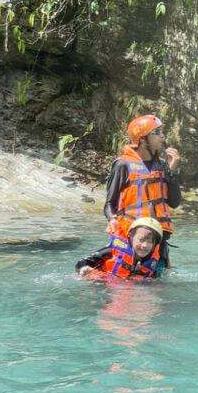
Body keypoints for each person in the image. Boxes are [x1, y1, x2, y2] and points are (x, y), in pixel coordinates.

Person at [105, 115, 180, 266]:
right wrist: (112, 220)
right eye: (156, 132)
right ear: (143, 139)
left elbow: (174, 202)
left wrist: (171, 171)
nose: (162, 135)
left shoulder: (162, 166)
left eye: (161, 131)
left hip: (158, 237)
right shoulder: (123, 165)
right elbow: (109, 203)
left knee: (157, 286)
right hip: (134, 238)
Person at [77, 217, 166, 280]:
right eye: (141, 239)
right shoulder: (113, 249)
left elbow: (156, 279)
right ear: (131, 236)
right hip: (103, 284)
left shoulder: (155, 260)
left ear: (156, 244)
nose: (145, 245)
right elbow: (83, 262)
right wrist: (83, 268)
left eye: (150, 241)